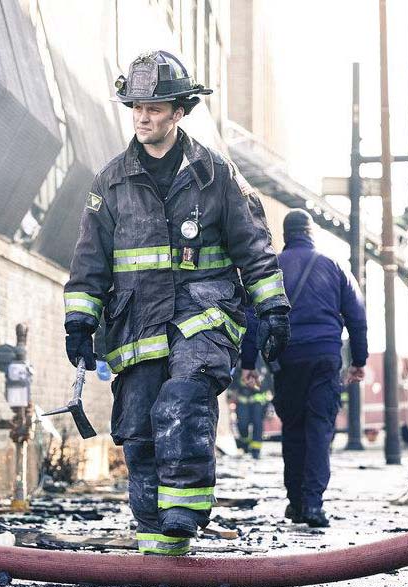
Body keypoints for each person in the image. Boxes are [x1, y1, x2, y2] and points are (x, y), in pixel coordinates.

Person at [62, 51, 290, 556]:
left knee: (183, 400)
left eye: (156, 108)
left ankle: (185, 514)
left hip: (203, 315)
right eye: (137, 107)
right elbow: (89, 260)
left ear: (179, 111)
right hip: (137, 321)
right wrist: (80, 318)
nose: (144, 117)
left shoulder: (215, 175)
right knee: (140, 427)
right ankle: (157, 551)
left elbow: (253, 247)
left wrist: (273, 308)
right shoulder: (111, 182)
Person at [240, 208, 368, 528]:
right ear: (311, 232)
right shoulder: (334, 266)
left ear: (286, 234)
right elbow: (357, 316)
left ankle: (295, 503)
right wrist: (359, 360)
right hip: (325, 358)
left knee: (293, 430)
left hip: (287, 360)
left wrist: (248, 363)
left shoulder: (271, 269)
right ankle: (312, 504)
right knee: (319, 430)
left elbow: (254, 317)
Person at [230, 358, 271, 459]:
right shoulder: (241, 360)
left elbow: (268, 380)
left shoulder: (263, 361)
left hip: (259, 401)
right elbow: (234, 379)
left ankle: (256, 451)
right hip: (243, 400)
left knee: (258, 424)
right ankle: (245, 444)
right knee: (242, 425)